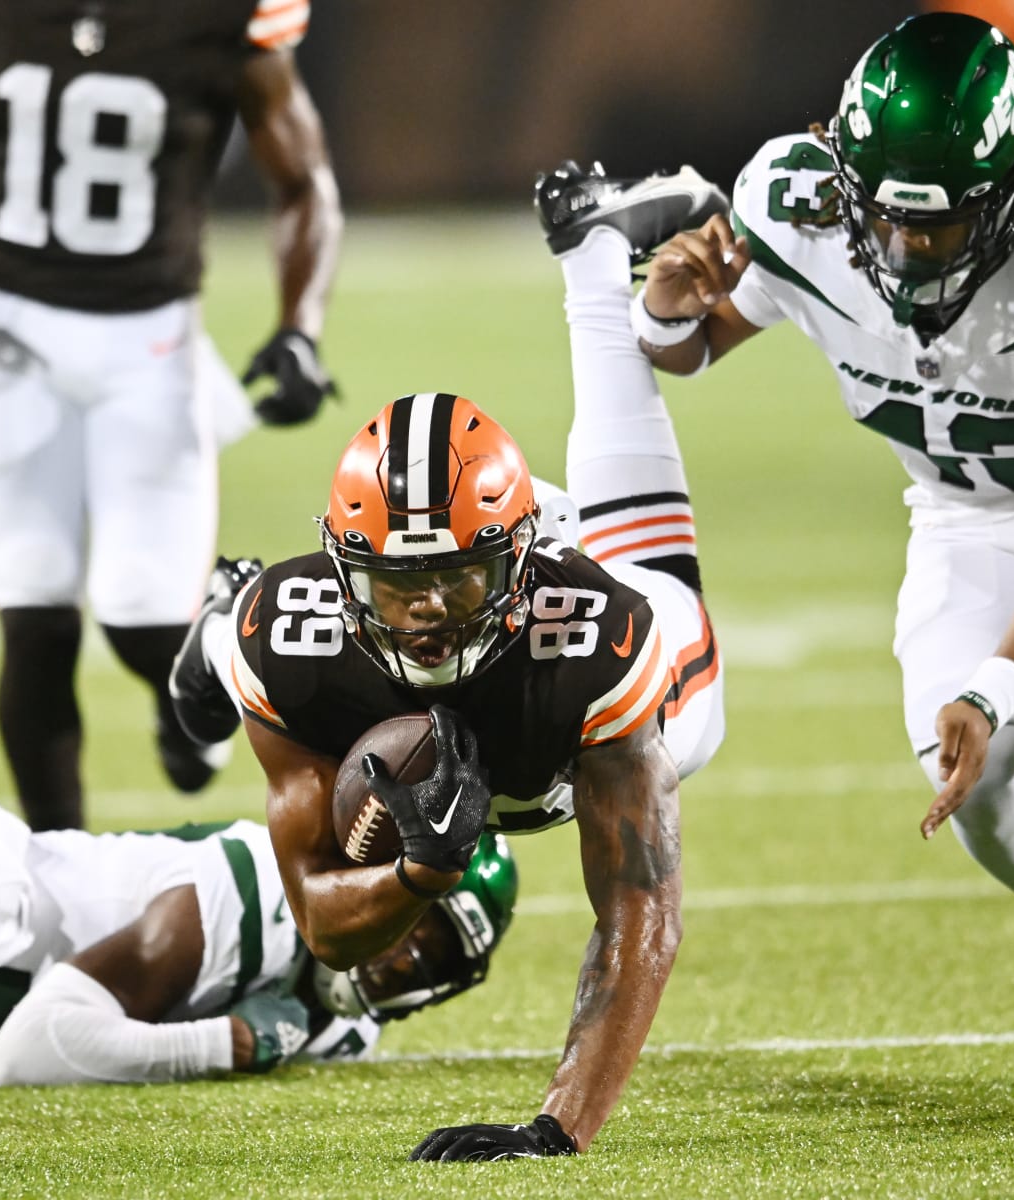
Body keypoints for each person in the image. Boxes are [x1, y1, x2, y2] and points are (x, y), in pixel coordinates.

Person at [618, 10, 1014, 1087]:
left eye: (943, 222)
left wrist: (994, 683)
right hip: (960, 514)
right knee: (975, 799)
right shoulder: (797, 207)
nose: (908, 248)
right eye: (887, 217)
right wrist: (660, 310)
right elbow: (696, 341)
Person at [167, 167, 728, 1157]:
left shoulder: (590, 638)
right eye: (394, 587)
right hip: (457, 567)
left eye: (456, 586)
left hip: (587, 651)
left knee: (658, 583)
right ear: (345, 572)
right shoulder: (296, 630)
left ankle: (595, 263)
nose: (425, 619)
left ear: (517, 565)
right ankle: (208, 640)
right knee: (248, 623)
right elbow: (326, 923)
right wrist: (422, 876)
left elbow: (640, 910)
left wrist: (559, 1128)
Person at [0, 0, 342, 831]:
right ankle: (60, 880)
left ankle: (198, 688)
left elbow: (303, 180)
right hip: (11, 331)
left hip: (147, 344)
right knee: (33, 620)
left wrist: (301, 330)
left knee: (145, 625)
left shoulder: (220, 15)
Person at [0, 793, 517, 1085]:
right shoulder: (257, 891)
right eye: (416, 925)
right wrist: (226, 1043)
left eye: (440, 957)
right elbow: (27, 1048)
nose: (408, 964)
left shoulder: (345, 1036)